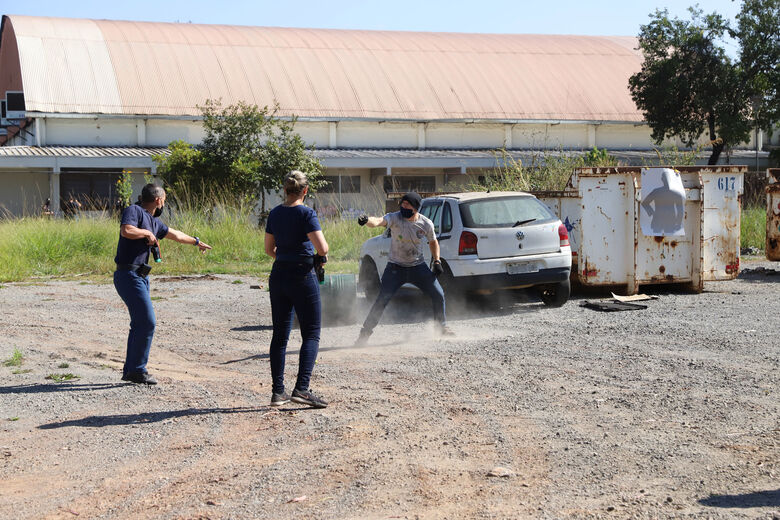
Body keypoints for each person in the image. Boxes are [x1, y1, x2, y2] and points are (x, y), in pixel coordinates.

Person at [113, 184, 212, 384]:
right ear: (159, 200)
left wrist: (196, 241)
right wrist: (146, 234)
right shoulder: (135, 211)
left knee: (139, 323)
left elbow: (175, 234)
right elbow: (127, 230)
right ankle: (137, 370)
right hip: (128, 274)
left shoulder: (153, 221)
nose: (163, 204)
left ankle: (132, 370)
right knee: (148, 322)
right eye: (164, 200)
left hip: (141, 277)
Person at [264, 170, 329, 408]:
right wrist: (317, 256)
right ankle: (301, 389)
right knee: (311, 333)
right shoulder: (306, 213)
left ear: (285, 189)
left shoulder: (275, 213)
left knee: (280, 335)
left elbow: (269, 250)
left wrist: (286, 255)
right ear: (305, 190)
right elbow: (322, 248)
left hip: (279, 273)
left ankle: (277, 392)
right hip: (302, 275)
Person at [355, 192, 454, 346]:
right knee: (382, 300)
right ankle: (364, 334)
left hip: (418, 267)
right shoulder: (394, 218)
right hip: (395, 268)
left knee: (438, 294)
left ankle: (441, 327)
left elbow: (433, 242)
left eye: (407, 205)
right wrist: (367, 220)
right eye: (402, 204)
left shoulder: (426, 223)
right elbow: (378, 221)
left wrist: (436, 261)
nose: (403, 207)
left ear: (415, 208)